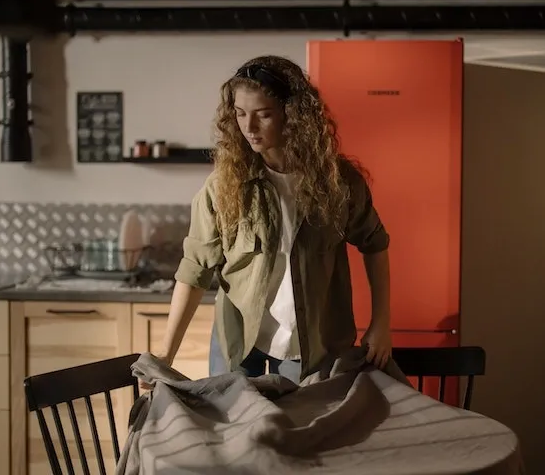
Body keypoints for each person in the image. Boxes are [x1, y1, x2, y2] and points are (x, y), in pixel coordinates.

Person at [142, 55, 392, 388]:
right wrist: (165, 354)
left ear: (293, 116)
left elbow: (375, 244)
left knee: (305, 434)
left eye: (263, 115)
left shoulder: (338, 181)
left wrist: (381, 322)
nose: (249, 127)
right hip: (240, 346)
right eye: (241, 114)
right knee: (236, 435)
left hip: (311, 347)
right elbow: (194, 270)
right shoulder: (224, 185)